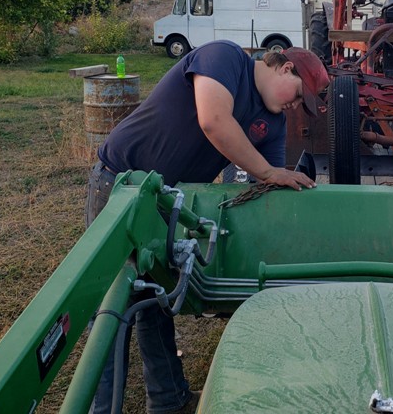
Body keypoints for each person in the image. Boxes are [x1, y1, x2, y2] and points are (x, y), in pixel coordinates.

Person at [85, 40, 330, 414]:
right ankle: (100, 408)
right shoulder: (225, 58)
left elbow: (266, 192)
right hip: (121, 183)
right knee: (113, 302)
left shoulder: (273, 123)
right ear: (284, 68)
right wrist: (268, 172)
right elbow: (214, 120)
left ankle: (168, 401)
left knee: (154, 297)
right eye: (298, 96)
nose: (294, 107)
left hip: (166, 199)